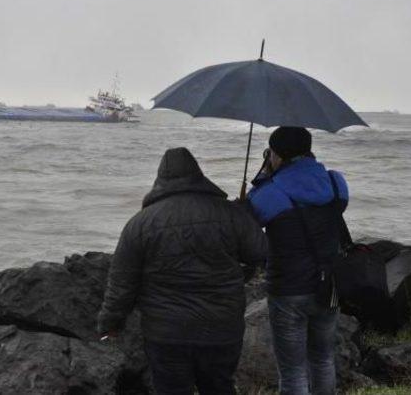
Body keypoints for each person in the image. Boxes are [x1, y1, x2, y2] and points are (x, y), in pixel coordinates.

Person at [97, 147, 268, 395]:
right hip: (221, 328)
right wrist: (246, 215)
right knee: (220, 387)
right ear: (198, 175)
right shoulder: (229, 214)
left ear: (160, 179)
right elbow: (260, 253)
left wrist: (110, 324)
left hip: (166, 333)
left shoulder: (140, 224)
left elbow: (122, 284)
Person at [247, 127, 349, 395]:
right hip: (330, 284)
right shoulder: (336, 182)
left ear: (275, 154)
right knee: (323, 359)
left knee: (293, 371)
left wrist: (262, 178)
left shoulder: (271, 192)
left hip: (289, 289)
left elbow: (250, 221)